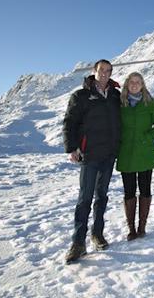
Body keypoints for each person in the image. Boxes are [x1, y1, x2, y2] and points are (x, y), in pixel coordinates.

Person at [63, 59, 121, 264]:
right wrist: (71, 148)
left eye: (108, 70)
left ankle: (97, 234)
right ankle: (78, 242)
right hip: (89, 155)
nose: (105, 73)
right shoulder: (81, 96)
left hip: (108, 155)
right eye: (101, 70)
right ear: (93, 72)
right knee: (84, 198)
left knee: (102, 196)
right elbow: (69, 122)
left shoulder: (115, 95)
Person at [116, 72, 154, 241]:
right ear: (127, 84)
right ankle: (131, 229)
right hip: (126, 153)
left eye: (138, 82)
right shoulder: (120, 103)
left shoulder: (150, 103)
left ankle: (142, 226)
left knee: (145, 189)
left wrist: (147, 137)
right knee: (129, 191)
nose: (135, 85)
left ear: (143, 85)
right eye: (132, 82)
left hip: (145, 153)